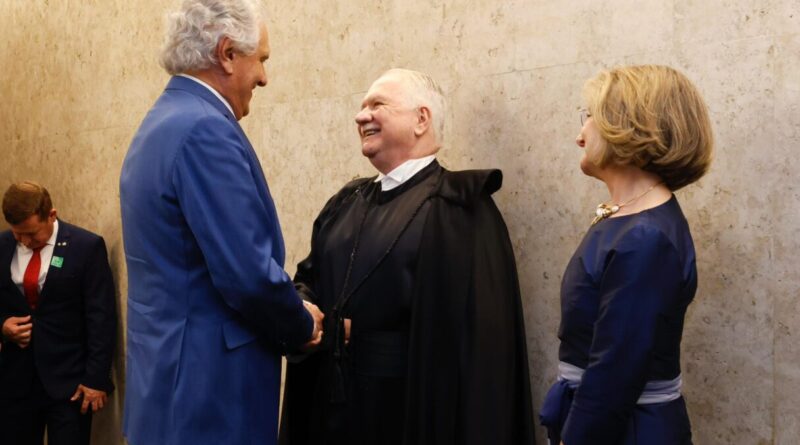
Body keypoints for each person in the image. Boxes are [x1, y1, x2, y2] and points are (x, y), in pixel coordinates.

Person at [279, 68, 535, 445]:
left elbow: (476, 344)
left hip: (411, 417)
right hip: (330, 416)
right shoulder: (345, 203)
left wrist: (361, 337)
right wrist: (305, 311)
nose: (360, 115)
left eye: (377, 104)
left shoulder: (460, 208)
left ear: (421, 119)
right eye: (361, 106)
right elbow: (310, 278)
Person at [119, 1, 323, 444]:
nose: (264, 78)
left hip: (169, 385)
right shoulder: (204, 130)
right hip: (209, 394)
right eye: (262, 59)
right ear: (227, 53)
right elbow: (246, 273)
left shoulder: (161, 122)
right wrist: (301, 323)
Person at [539, 65, 714, 445]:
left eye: (590, 118)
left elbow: (616, 371)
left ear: (630, 125)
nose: (579, 135)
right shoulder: (632, 219)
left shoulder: (646, 237)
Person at [0, 181, 116, 445]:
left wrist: (96, 379)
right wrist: (2, 328)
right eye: (18, 234)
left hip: (70, 385)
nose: (25, 241)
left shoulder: (86, 247)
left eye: (31, 233)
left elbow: (101, 317)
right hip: (15, 384)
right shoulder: (3, 246)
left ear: (51, 215)